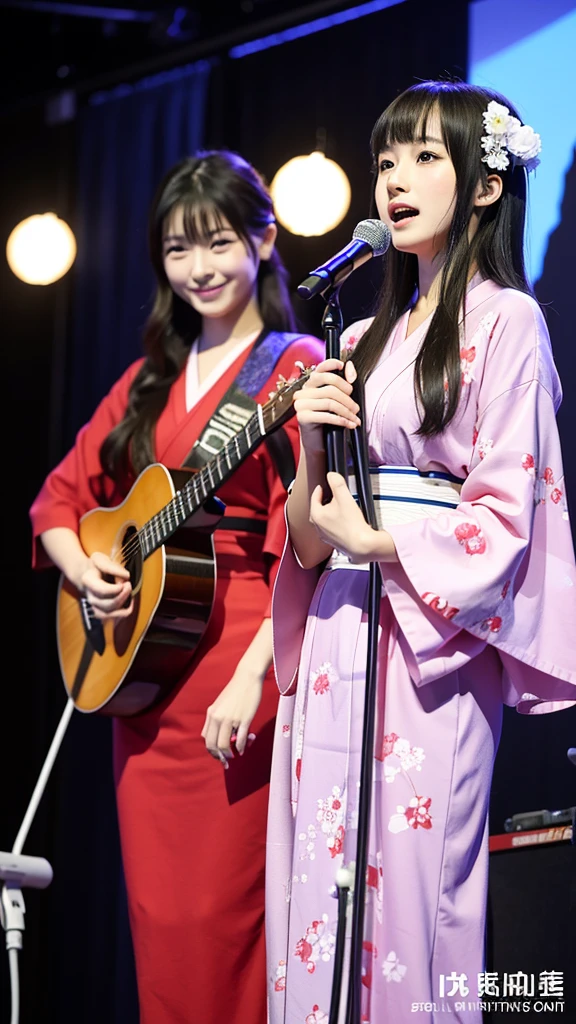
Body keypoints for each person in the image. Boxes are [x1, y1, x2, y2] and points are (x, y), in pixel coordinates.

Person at [265, 81, 576, 1024]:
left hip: (430, 633)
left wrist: (387, 540)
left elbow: (504, 509)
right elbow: (313, 536)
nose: (395, 180)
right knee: (316, 887)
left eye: (424, 158)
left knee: (415, 894)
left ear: (484, 186)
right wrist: (315, 450)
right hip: (337, 627)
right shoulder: (357, 336)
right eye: (386, 161)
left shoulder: (509, 321)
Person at [29, 149, 324, 1024]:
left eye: (219, 243)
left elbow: (298, 543)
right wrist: (90, 571)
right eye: (177, 249)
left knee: (226, 916)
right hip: (142, 683)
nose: (198, 268)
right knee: (158, 918)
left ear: (265, 241)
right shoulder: (146, 381)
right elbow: (57, 500)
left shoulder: (293, 365)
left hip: (243, 663)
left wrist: (252, 677)